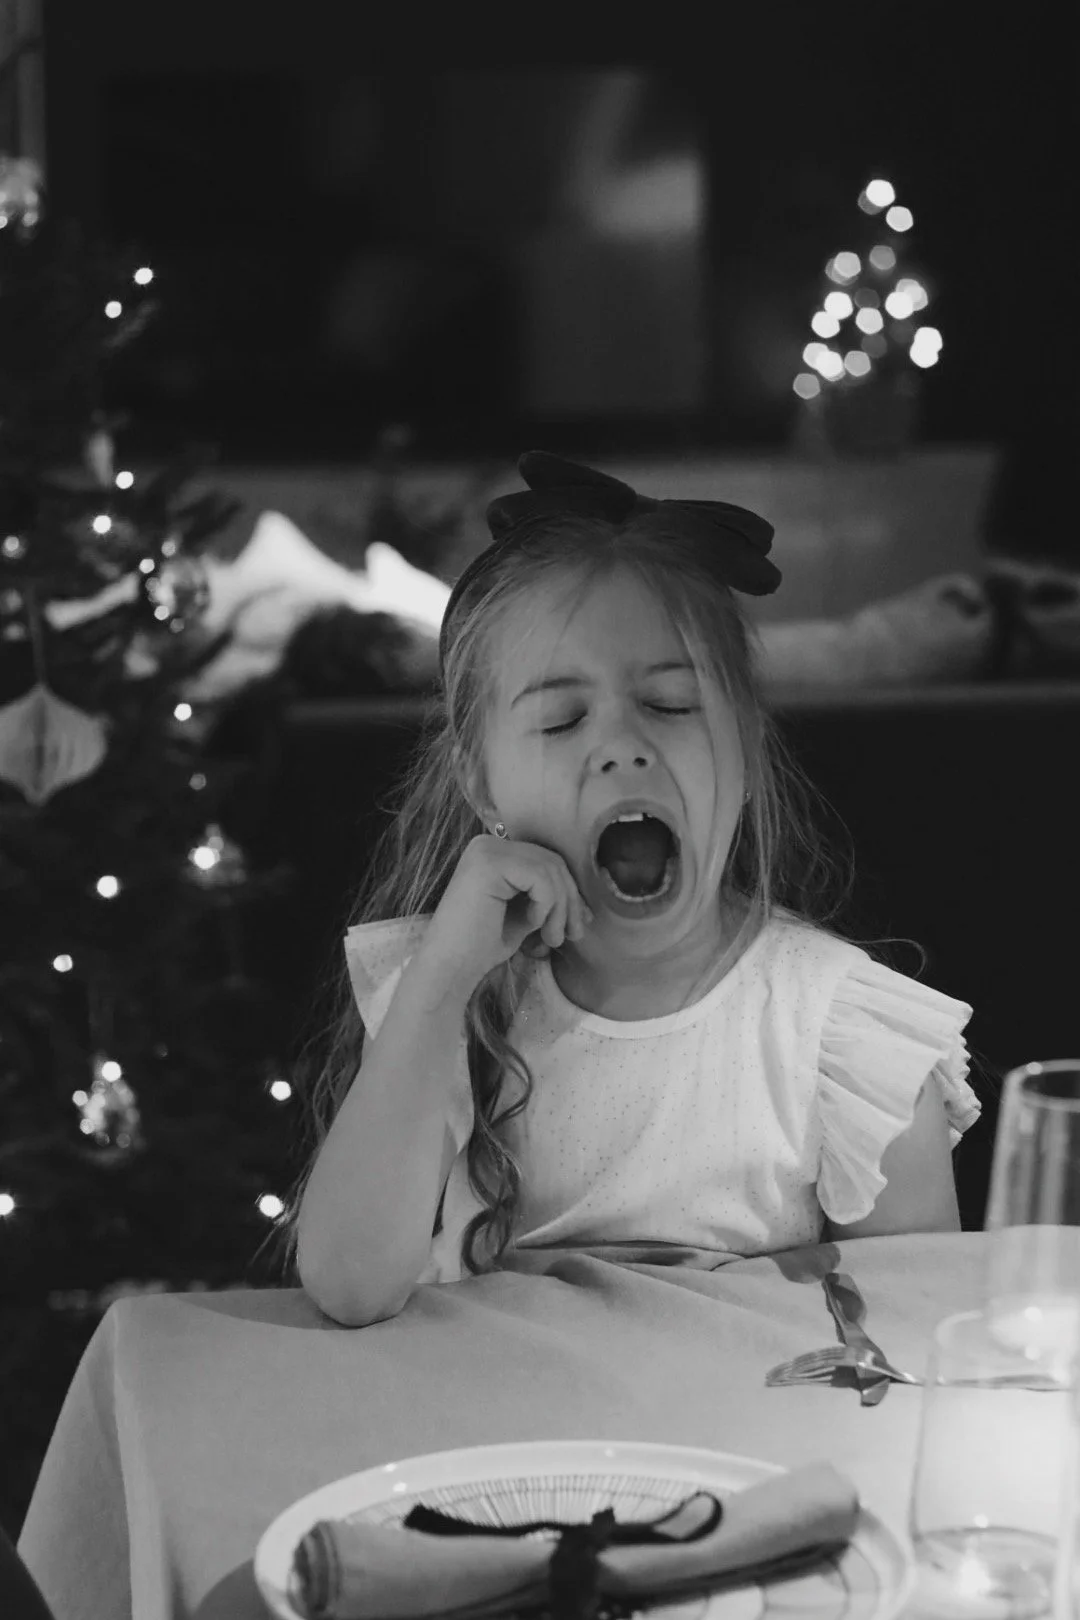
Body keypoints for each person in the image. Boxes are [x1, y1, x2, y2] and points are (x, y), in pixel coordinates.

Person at [280, 452, 981, 1328]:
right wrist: (440, 983)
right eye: (562, 719)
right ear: (481, 783)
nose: (620, 747)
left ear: (747, 750)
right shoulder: (448, 1000)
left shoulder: (846, 1039)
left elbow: (915, 1328)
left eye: (671, 705)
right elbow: (348, 1286)